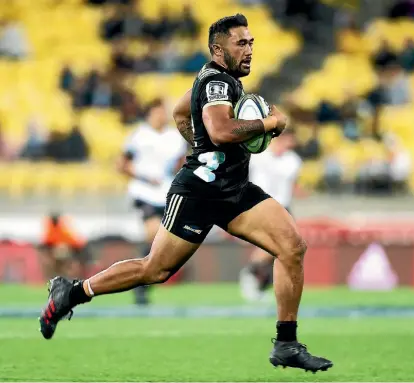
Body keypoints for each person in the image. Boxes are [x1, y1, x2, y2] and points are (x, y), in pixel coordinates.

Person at [39, 14, 332, 374]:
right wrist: (268, 124)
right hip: (198, 192)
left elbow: (181, 113)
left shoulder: (216, 81)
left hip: (234, 189)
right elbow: (221, 130)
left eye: (251, 42)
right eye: (241, 43)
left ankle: (286, 343)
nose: (250, 49)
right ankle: (71, 292)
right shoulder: (216, 83)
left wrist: (203, 149)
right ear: (218, 49)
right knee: (154, 269)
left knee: (292, 246)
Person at [116, 98, 187, 304]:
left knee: (163, 243)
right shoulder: (139, 135)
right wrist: (144, 177)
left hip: (167, 194)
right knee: (154, 234)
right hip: (144, 193)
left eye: (163, 112)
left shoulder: (174, 137)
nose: (161, 116)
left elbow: (181, 163)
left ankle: (142, 280)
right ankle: (139, 281)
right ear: (149, 114)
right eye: (158, 112)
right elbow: (122, 165)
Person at [239, 129, 304, 302]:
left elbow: (291, 186)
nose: (292, 143)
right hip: (262, 205)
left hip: (284, 207)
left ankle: (260, 281)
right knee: (275, 246)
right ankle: (250, 273)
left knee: (287, 250)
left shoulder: (293, 160)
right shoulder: (259, 155)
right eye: (289, 138)